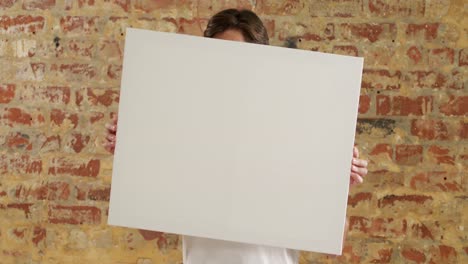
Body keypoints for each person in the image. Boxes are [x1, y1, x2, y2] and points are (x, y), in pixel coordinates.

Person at [104, 8, 368, 264]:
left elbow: (335, 247)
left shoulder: (295, 130)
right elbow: (149, 232)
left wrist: (335, 189)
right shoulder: (186, 129)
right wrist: (134, 153)